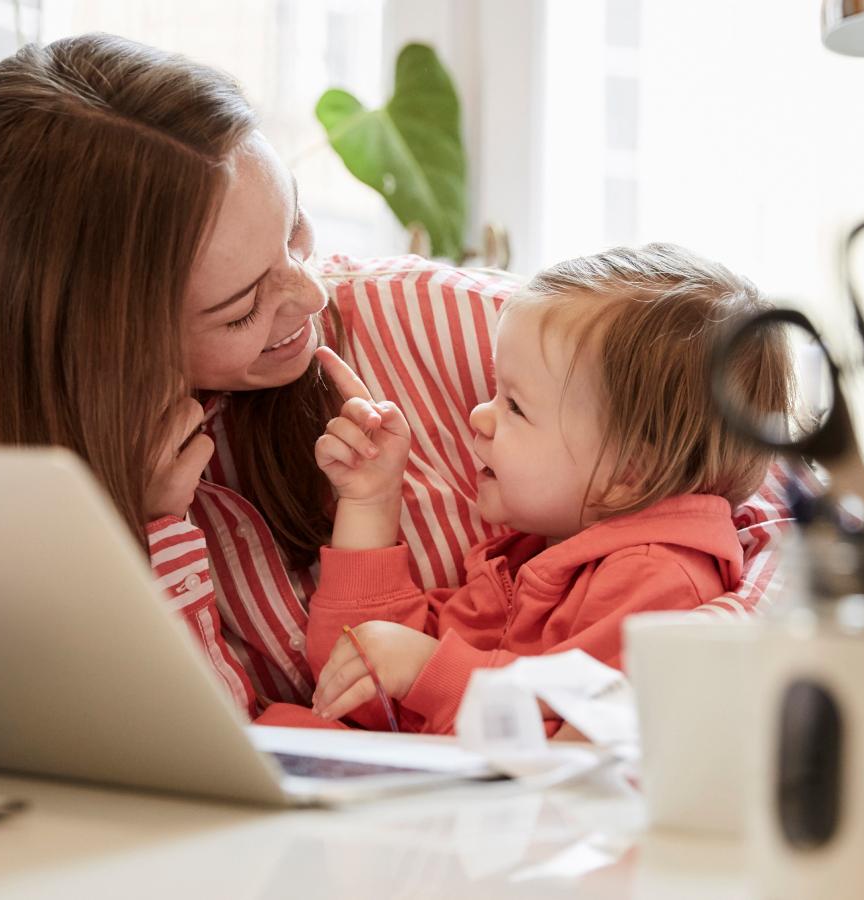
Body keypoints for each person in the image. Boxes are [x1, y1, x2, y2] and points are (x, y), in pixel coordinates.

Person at [0, 34, 794, 721]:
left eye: (296, 233)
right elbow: (215, 752)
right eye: (239, 308)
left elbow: (764, 503)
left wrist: (660, 680)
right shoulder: (54, 510)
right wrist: (160, 528)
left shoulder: (455, 327)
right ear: (104, 343)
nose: (311, 293)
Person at [302, 244, 792, 733]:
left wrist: (432, 668)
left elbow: (578, 734)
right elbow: (359, 688)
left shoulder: (654, 577)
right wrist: (370, 501)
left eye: (514, 406)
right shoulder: (530, 556)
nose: (479, 415)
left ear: (628, 476)